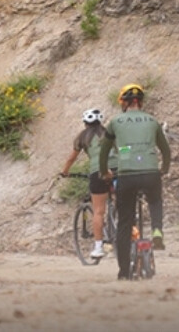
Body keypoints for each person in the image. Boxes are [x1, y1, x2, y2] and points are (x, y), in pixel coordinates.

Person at [99, 84, 170, 280]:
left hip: (127, 175)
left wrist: (105, 172)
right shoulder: (153, 121)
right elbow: (165, 150)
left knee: (124, 223)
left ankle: (123, 272)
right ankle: (157, 230)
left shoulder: (115, 122)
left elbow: (104, 152)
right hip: (150, 171)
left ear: (123, 102)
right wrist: (164, 169)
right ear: (141, 102)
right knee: (155, 200)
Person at [58, 107, 115, 259]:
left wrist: (65, 171)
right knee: (120, 202)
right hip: (118, 168)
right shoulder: (109, 132)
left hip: (99, 172)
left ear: (85, 123)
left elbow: (71, 158)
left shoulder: (83, 137)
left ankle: (98, 247)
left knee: (98, 211)